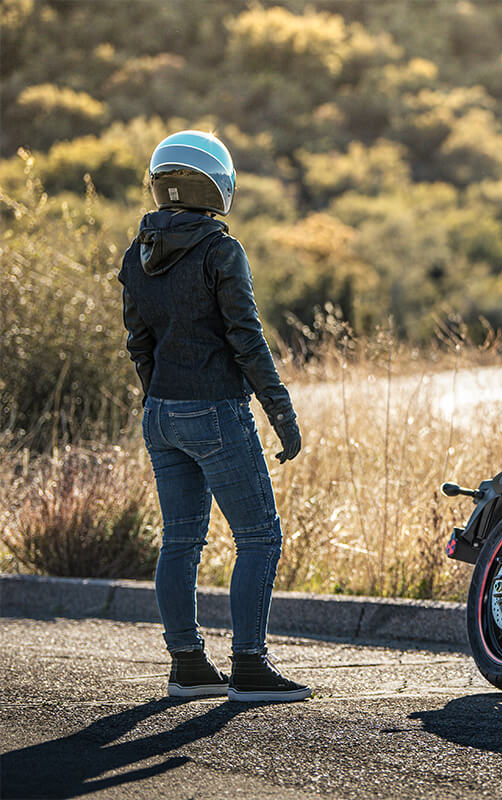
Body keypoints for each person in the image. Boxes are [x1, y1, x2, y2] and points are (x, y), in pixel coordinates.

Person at [118, 130, 310, 702]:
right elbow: (246, 340)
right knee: (260, 537)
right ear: (214, 182)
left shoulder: (137, 251)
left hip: (160, 412)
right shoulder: (221, 250)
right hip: (215, 410)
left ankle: (188, 666)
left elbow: (138, 342)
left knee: (180, 541)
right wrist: (282, 412)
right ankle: (250, 666)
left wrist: (163, 400)